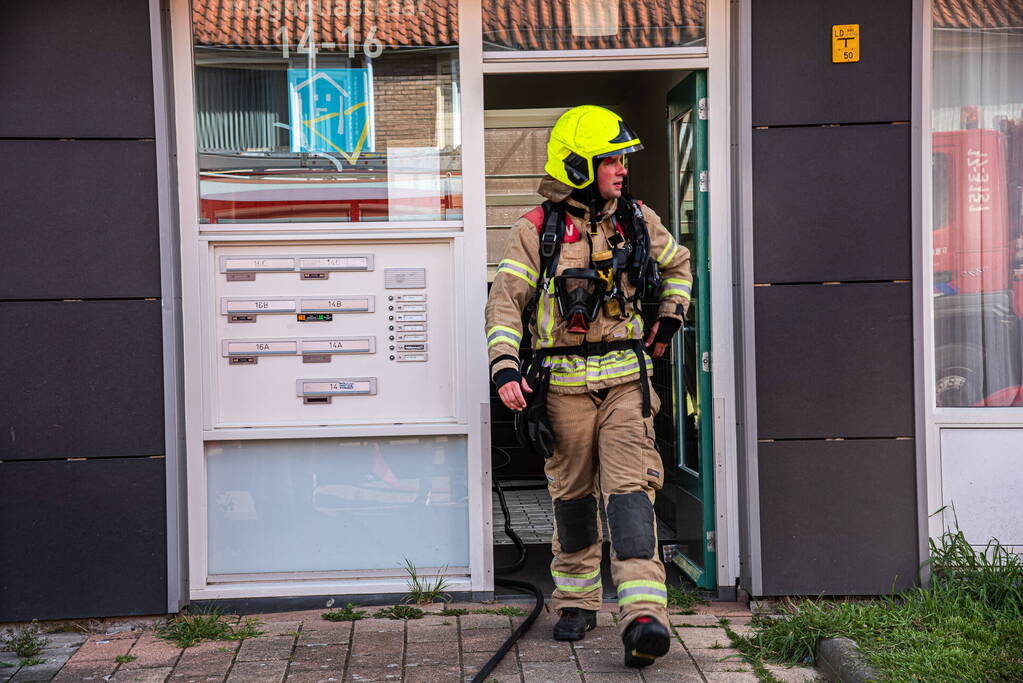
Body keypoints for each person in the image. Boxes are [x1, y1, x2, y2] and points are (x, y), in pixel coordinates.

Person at [484, 105, 692, 668]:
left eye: (623, 159)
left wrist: (670, 317)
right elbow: (505, 305)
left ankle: (644, 615)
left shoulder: (638, 219)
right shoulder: (536, 229)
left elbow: (679, 266)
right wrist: (505, 367)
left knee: (630, 498)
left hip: (625, 384)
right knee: (573, 502)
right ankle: (576, 601)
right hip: (561, 389)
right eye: (611, 159)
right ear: (579, 165)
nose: (623, 169)